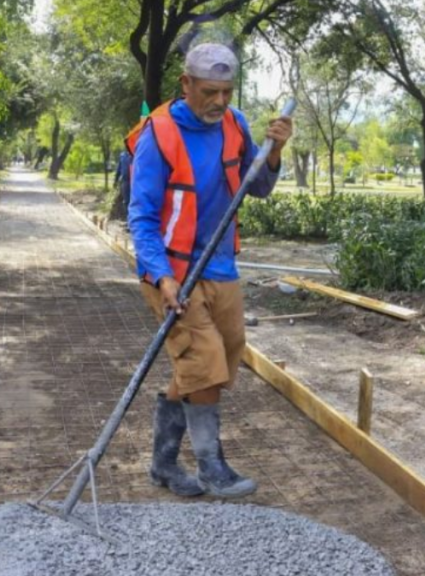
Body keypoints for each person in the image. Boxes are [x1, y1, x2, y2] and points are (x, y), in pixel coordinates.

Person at [128, 43, 293, 498]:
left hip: (220, 265)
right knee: (203, 361)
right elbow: (140, 218)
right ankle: (212, 468)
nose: (219, 102)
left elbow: (256, 186)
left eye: (227, 91)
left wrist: (275, 149)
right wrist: (162, 277)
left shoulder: (235, 124)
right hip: (174, 272)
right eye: (209, 92)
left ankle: (162, 464)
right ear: (186, 85)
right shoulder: (157, 136)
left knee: (217, 363)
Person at [115, 149, 133, 221]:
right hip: (125, 181)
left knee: (134, 202)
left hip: (134, 182)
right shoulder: (122, 155)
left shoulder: (135, 153)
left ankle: (132, 222)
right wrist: (115, 181)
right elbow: (119, 169)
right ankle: (128, 221)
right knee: (126, 202)